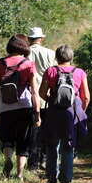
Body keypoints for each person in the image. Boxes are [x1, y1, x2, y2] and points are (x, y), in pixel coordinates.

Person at [39, 45, 90, 183]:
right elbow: (86, 97)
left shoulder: (51, 71)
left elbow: (41, 92)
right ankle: (65, 180)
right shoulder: (80, 72)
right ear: (71, 57)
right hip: (71, 113)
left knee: (52, 145)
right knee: (68, 145)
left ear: (56, 57)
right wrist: (80, 110)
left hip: (53, 112)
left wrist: (51, 100)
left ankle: (51, 178)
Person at [0, 36, 41, 179]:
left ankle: (8, 159)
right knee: (23, 141)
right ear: (24, 47)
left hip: (4, 107)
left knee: (7, 138)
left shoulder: (0, 63)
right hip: (24, 106)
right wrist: (37, 113)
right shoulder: (28, 64)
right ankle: (19, 174)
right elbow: (34, 91)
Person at [26, 27, 56, 170]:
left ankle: (32, 162)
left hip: (30, 97)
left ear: (29, 39)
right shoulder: (51, 53)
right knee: (46, 129)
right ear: (41, 38)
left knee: (32, 130)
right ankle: (44, 159)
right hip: (46, 96)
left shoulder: (25, 53)